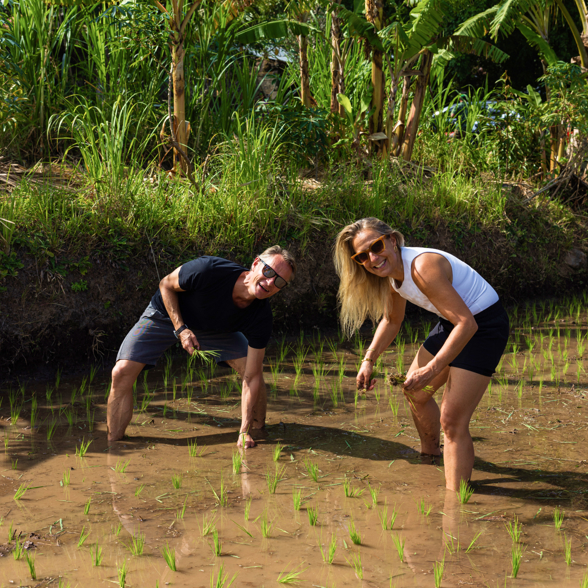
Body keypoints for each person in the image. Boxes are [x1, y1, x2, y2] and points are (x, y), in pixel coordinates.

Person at [334, 218, 509, 491]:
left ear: (392, 240)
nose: (372, 258)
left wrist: (433, 368)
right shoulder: (394, 276)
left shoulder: (422, 266)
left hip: (483, 324)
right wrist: (368, 360)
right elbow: (392, 320)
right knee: (415, 392)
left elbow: (468, 324)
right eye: (362, 256)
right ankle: (430, 456)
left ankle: (455, 503)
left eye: (376, 246)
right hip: (455, 321)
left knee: (452, 421)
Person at [107, 245, 296, 449]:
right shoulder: (209, 269)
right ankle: (113, 445)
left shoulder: (261, 317)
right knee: (121, 372)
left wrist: (243, 431)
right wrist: (181, 330)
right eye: (269, 272)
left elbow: (252, 377)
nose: (270, 282)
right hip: (166, 315)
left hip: (218, 329)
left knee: (252, 369)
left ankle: (257, 430)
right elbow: (165, 285)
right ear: (256, 263)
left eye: (279, 282)